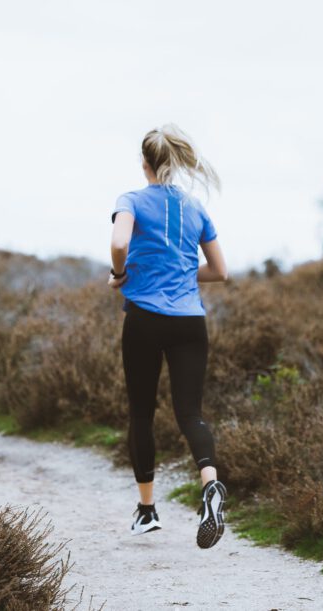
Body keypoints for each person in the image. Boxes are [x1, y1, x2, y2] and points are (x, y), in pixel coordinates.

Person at [108, 123, 230, 549]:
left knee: (141, 412)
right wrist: (179, 272)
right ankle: (210, 483)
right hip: (189, 322)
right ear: (173, 163)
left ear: (145, 164)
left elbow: (119, 243)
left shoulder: (132, 201)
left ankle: (146, 512)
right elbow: (219, 271)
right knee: (190, 413)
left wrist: (121, 274)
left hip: (144, 318)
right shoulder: (195, 208)